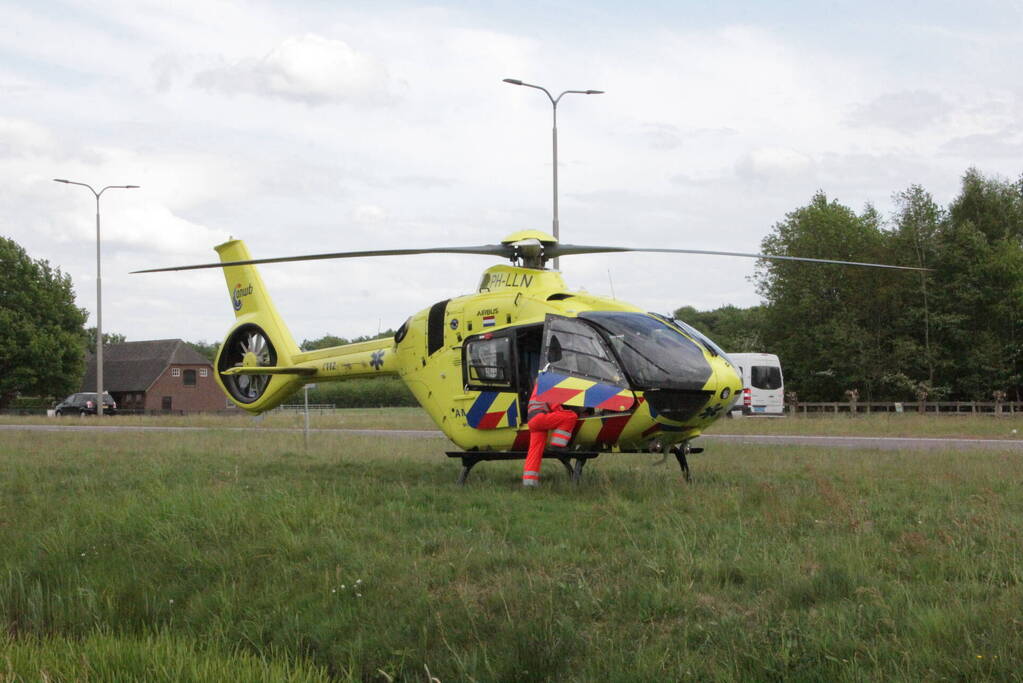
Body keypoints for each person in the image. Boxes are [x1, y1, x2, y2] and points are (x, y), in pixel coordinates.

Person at [522, 380, 578, 487]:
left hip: (532, 421)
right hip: (540, 418)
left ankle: (529, 483)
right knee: (570, 416)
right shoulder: (548, 385)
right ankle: (558, 445)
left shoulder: (538, 387)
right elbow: (555, 407)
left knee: (535, 451)